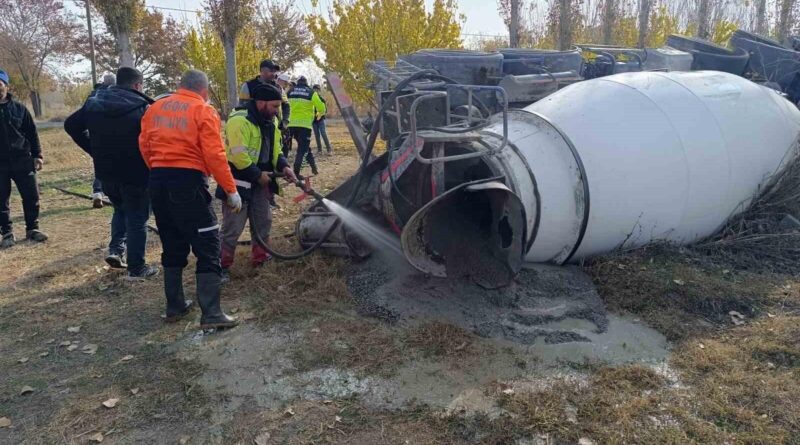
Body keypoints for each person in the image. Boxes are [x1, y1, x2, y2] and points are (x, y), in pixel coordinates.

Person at [139, 69, 240, 330]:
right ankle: (212, 313)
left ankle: (175, 306)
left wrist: (159, 169)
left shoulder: (155, 108)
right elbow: (215, 154)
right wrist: (230, 189)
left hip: (158, 182)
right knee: (208, 245)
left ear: (179, 85)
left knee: (172, 243)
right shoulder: (203, 110)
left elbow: (144, 145)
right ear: (204, 91)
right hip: (188, 183)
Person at [64, 67, 158, 279]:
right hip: (135, 172)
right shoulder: (142, 107)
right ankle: (137, 268)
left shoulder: (95, 103)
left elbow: (70, 125)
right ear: (137, 85)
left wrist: (93, 149)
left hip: (107, 172)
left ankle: (116, 250)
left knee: (120, 210)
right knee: (137, 219)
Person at [218, 84, 297, 281]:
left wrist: (285, 166)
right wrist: (257, 175)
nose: (277, 110)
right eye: (274, 106)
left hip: (261, 184)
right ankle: (221, 266)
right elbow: (238, 156)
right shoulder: (239, 121)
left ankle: (261, 258)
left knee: (263, 221)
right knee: (232, 227)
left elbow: (275, 151)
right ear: (260, 103)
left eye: (279, 106)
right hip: (238, 185)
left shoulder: (271, 121)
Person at [0, 68, 47, 248]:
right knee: (1, 199)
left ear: (6, 85)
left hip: (22, 159)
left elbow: (32, 133)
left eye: (0, 84)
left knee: (31, 195)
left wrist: (38, 155)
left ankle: (32, 229)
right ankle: (7, 233)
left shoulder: (19, 108)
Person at [287, 76, 326, 177]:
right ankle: (296, 172)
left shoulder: (290, 91)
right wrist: (319, 115)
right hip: (304, 126)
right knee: (302, 149)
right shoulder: (310, 92)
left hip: (290, 125)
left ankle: (314, 168)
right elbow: (322, 107)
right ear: (306, 83)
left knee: (305, 147)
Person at [88, 73, 116, 208]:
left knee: (99, 165)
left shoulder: (93, 96)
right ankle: (114, 193)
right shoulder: (116, 96)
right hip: (114, 137)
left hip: (95, 137)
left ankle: (97, 192)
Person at [239, 59, 290, 128]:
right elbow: (242, 108)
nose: (274, 74)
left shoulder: (278, 88)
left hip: (274, 127)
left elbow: (286, 105)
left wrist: (284, 122)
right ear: (261, 71)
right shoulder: (248, 86)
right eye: (271, 71)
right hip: (254, 126)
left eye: (275, 71)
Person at [311, 84, 333, 155]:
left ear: (319, 91)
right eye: (314, 90)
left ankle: (329, 149)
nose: (315, 91)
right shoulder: (311, 99)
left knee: (323, 134)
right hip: (314, 121)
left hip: (320, 120)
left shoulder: (322, 99)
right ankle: (319, 150)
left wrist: (319, 115)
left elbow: (325, 110)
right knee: (317, 135)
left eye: (317, 90)